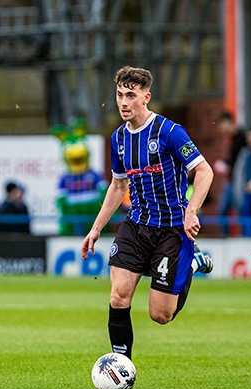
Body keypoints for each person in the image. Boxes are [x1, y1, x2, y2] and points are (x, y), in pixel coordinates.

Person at [80, 66, 214, 361]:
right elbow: (118, 185)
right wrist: (96, 228)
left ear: (146, 97)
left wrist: (191, 212)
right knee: (118, 296)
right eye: (119, 95)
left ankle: (193, 262)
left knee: (160, 315)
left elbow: (204, 172)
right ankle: (120, 364)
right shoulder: (118, 139)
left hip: (171, 229)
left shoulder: (169, 132)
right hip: (137, 225)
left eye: (131, 95)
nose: (124, 102)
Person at [213, 111, 247, 235]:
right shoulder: (233, 139)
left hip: (238, 182)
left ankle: (244, 237)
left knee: (240, 210)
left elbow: (241, 161)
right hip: (231, 180)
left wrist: (227, 166)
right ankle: (225, 237)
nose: (222, 130)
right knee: (223, 210)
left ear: (228, 122)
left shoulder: (242, 138)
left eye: (222, 126)